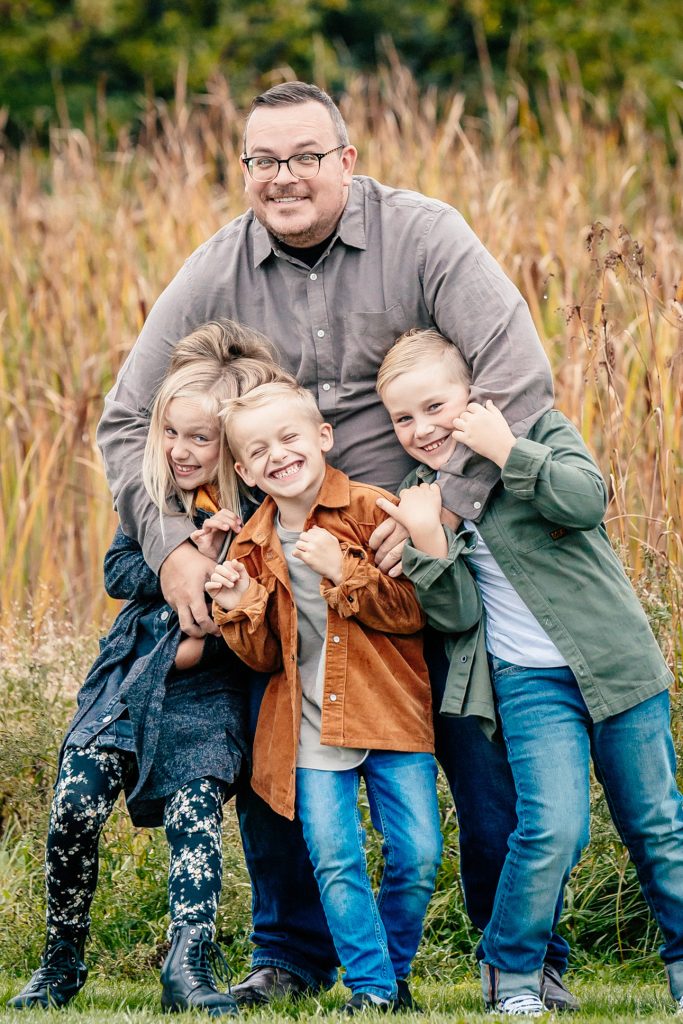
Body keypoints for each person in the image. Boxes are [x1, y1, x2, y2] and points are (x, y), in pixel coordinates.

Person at [96, 82, 575, 1009]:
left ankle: (520, 954)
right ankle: (290, 955)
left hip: (418, 545)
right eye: (264, 160)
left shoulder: (425, 235)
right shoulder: (213, 270)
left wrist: (442, 513)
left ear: (345, 161)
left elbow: (519, 375)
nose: (285, 178)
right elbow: (126, 422)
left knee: (480, 755)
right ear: (245, 170)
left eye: (305, 157)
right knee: (274, 735)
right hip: (284, 560)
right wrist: (172, 552)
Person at [375, 327, 683, 1017]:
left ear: (472, 397)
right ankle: (510, 970)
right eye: (403, 417)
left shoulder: (535, 429)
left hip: (614, 663)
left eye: (434, 406)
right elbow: (453, 617)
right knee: (552, 828)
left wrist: (506, 450)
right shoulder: (422, 492)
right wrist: (427, 537)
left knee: (656, 824)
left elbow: (583, 501)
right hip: (526, 681)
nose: (421, 428)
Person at [9, 321, 287, 1015]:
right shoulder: (153, 502)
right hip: (130, 677)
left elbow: (266, 616)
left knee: (196, 815)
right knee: (74, 804)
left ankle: (187, 966)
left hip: (208, 693)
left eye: (201, 438)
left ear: (231, 447)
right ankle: (60, 960)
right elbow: (115, 570)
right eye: (171, 432)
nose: (181, 450)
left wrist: (224, 575)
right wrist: (178, 556)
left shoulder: (262, 517)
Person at [206, 380, 443, 1012]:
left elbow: (415, 611)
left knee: (418, 852)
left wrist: (347, 571)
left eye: (289, 437)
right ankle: (372, 990)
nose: (277, 456)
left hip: (388, 710)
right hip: (306, 727)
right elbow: (262, 657)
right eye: (258, 451)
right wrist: (237, 608)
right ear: (242, 468)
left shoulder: (371, 510)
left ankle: (389, 973)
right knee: (336, 860)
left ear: (322, 437)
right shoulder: (251, 545)